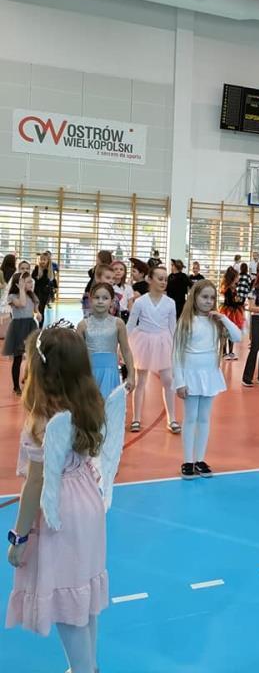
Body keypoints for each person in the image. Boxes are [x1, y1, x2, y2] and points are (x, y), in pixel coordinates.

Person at [5, 326, 126, 673]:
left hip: (60, 510)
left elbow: (36, 484)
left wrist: (19, 538)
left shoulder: (42, 421)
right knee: (82, 593)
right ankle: (88, 666)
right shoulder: (89, 404)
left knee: (66, 600)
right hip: (88, 501)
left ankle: (84, 670)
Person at [173, 281, 241, 480]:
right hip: (190, 375)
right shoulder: (185, 321)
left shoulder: (215, 321)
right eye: (204, 297)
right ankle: (187, 461)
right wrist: (179, 381)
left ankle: (200, 460)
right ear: (194, 297)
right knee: (190, 418)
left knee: (204, 418)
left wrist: (223, 318)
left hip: (209, 375)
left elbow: (237, 337)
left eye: (212, 298)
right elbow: (176, 353)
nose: (208, 301)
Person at [127, 266, 180, 434]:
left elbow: (173, 327)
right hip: (143, 342)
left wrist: (176, 348)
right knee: (140, 381)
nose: (163, 282)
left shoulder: (170, 303)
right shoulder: (140, 302)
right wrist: (122, 345)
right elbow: (130, 324)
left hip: (163, 342)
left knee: (168, 381)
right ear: (150, 279)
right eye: (160, 278)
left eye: (165, 279)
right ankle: (136, 418)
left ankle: (172, 419)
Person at [76, 283, 135, 400]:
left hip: (110, 373)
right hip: (88, 374)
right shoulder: (82, 325)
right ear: (90, 300)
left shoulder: (118, 323)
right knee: (90, 407)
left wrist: (131, 375)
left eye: (105, 298)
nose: (100, 301)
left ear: (112, 301)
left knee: (109, 406)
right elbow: (77, 354)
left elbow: (126, 351)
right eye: (97, 298)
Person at [3, 272, 39, 395]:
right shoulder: (12, 296)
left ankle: (31, 382)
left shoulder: (32, 295)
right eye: (28, 282)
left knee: (33, 357)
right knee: (18, 358)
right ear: (19, 284)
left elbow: (35, 310)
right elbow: (22, 304)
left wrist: (38, 314)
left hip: (30, 326)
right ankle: (16, 387)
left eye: (31, 281)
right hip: (18, 328)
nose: (31, 283)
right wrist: (22, 290)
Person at [219, 267, 244, 360]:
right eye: (237, 277)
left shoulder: (234, 288)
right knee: (225, 332)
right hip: (228, 312)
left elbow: (234, 300)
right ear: (233, 277)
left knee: (232, 331)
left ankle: (230, 351)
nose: (238, 278)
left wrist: (239, 302)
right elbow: (229, 302)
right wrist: (239, 303)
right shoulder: (228, 289)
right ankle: (224, 352)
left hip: (233, 311)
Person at [31, 252, 57, 322]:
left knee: (41, 310)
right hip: (36, 292)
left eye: (44, 259)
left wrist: (55, 287)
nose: (42, 261)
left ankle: (40, 326)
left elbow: (52, 279)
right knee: (33, 310)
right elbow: (33, 279)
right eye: (41, 259)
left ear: (48, 261)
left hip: (44, 293)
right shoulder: (37, 268)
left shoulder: (49, 270)